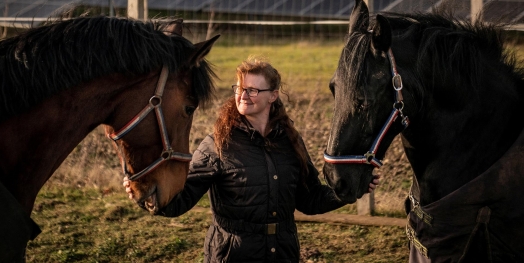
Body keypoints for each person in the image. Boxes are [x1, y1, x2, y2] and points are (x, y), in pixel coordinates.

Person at [124, 56, 379, 263]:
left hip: (282, 253)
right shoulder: (217, 144)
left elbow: (309, 199)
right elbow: (181, 200)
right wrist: (147, 194)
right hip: (232, 255)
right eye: (240, 88)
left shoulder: (290, 141)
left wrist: (348, 191)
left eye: (253, 90)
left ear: (273, 96)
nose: (243, 95)